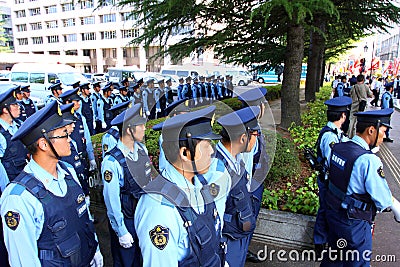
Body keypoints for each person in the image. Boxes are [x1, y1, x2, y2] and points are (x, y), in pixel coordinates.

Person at [0, 101, 103, 267]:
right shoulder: (19, 198)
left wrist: (94, 249)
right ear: (43, 144)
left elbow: (84, 220)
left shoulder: (68, 172)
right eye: (64, 135)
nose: (70, 139)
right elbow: (24, 260)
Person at [135, 106, 224, 266]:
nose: (212, 151)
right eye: (206, 145)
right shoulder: (159, 209)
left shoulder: (200, 183)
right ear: (185, 153)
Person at [323, 108, 398, 266]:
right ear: (371, 130)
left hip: (335, 215)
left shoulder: (339, 146)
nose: (384, 137)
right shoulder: (369, 160)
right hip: (355, 224)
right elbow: (383, 199)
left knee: (333, 260)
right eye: (383, 131)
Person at [102, 103, 151, 267]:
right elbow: (112, 200)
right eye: (141, 125)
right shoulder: (112, 161)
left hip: (142, 216)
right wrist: (121, 231)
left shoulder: (142, 149)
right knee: (126, 262)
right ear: (129, 129)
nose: (145, 128)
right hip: (126, 219)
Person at [213, 106, 261, 267]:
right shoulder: (218, 170)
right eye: (256, 135)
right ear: (242, 138)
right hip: (227, 241)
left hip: (236, 233)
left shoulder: (236, 158)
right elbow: (214, 218)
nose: (257, 139)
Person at [312, 96, 352, 257]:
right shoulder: (330, 136)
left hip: (331, 181)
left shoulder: (337, 133)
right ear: (342, 116)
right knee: (325, 210)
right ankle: (319, 243)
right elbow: (333, 161)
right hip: (328, 181)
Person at [237, 87, 270, 263]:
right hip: (249, 187)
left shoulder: (252, 127)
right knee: (245, 222)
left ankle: (244, 249)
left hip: (254, 183)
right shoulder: (247, 132)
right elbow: (245, 165)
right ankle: (241, 253)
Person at [59, 88, 97, 194]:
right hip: (68, 160)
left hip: (81, 158)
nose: (79, 103)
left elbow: (87, 140)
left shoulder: (80, 118)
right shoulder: (62, 120)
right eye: (76, 101)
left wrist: (91, 157)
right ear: (68, 102)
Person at [0, 86, 29, 182]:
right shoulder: (1, 134)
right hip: (10, 180)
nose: (19, 107)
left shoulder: (20, 125)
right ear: (5, 110)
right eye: (15, 105)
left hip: (24, 177)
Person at [155, 98, 190, 172]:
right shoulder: (166, 136)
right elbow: (163, 165)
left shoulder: (189, 130)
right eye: (183, 114)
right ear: (174, 115)